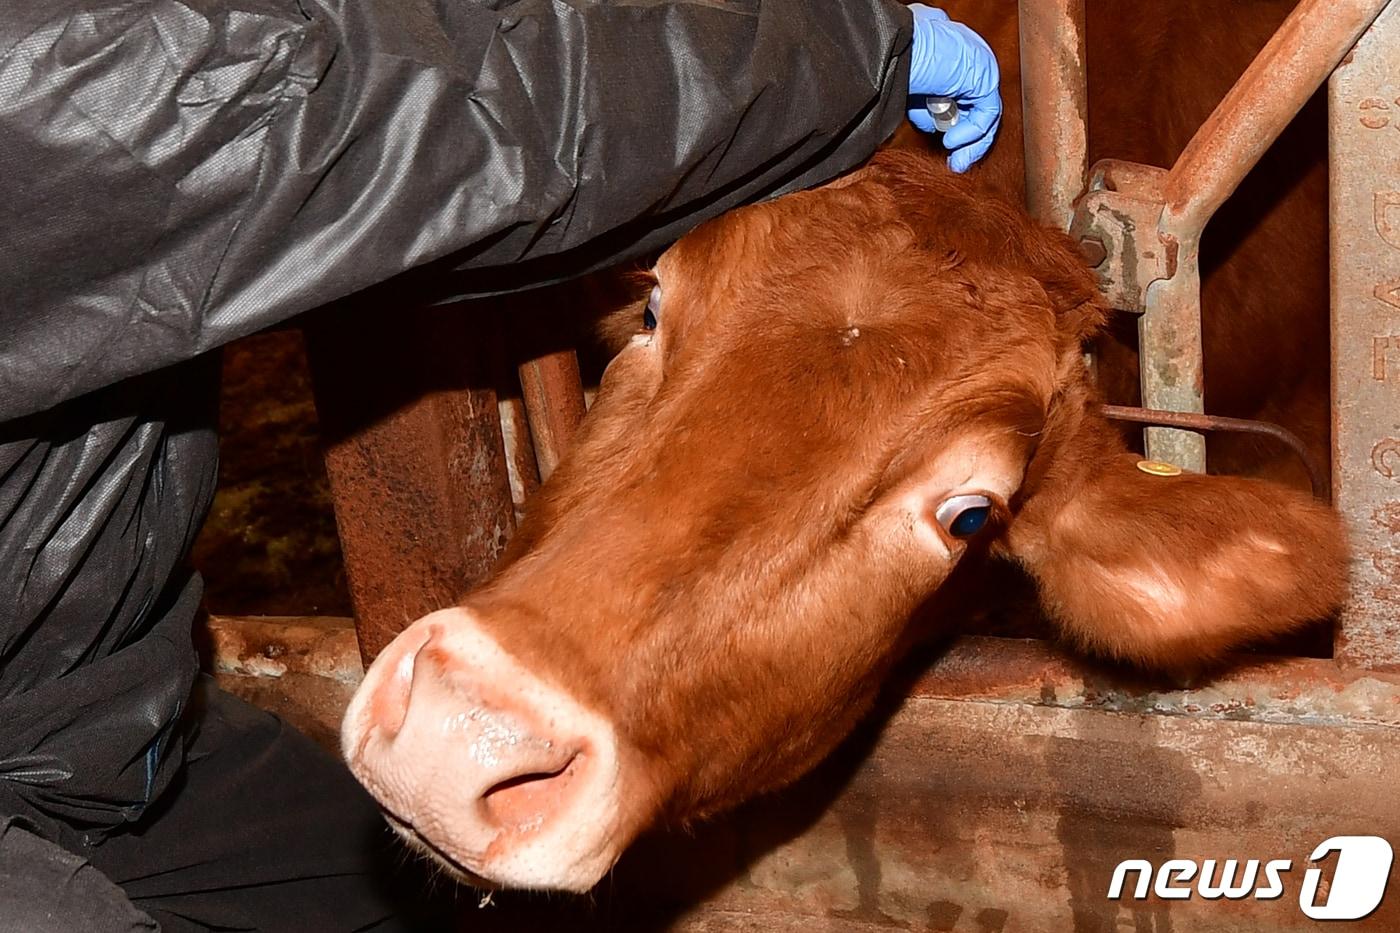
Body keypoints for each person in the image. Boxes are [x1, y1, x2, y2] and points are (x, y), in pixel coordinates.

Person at [0, 1, 999, 929]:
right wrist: (838, 50)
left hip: (69, 717)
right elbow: (382, 119)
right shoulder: (43, 79)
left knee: (395, 907)